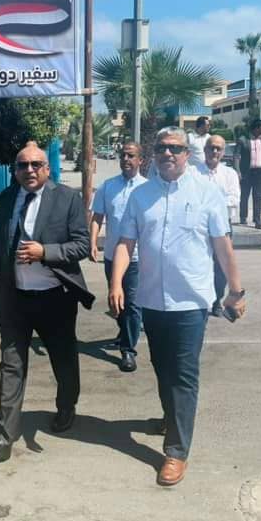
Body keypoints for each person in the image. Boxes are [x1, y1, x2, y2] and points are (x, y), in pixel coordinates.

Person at [109, 127, 246, 487]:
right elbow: (125, 242)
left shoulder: (207, 192)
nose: (167, 153)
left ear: (187, 153)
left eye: (175, 148)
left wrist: (236, 291)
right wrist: (116, 282)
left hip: (190, 302)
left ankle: (176, 451)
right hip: (152, 301)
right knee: (162, 367)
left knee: (183, 374)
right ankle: (171, 418)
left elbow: (222, 245)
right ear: (153, 154)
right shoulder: (140, 196)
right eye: (161, 148)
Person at [0, 142, 94, 465]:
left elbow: (82, 245)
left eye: (35, 165)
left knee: (63, 359)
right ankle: (3, 437)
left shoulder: (67, 198)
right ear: (15, 170)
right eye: (22, 165)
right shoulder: (6, 198)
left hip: (55, 298)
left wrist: (45, 252)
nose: (29, 170)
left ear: (47, 168)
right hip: (14, 298)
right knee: (11, 365)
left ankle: (67, 405)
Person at [89, 142, 145, 372]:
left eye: (131, 155)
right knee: (116, 300)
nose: (126, 159)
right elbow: (97, 217)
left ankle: (128, 350)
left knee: (132, 303)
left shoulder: (147, 188)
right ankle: (125, 333)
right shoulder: (108, 186)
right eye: (123, 155)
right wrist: (93, 242)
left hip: (137, 258)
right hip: (112, 256)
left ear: (140, 160)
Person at [198, 134, 240, 316]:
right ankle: (200, 301)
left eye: (218, 148)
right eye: (211, 147)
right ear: (205, 150)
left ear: (223, 152)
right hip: (198, 225)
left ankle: (216, 301)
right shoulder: (193, 172)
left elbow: (234, 199)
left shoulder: (229, 174)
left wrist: (210, 203)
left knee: (221, 266)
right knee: (198, 263)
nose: (214, 151)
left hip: (223, 226)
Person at [234, 118, 261, 229]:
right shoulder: (243, 140)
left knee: (258, 196)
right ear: (256, 128)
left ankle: (257, 220)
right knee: (244, 195)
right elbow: (236, 156)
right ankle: (243, 217)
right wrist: (238, 171)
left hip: (260, 172)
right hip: (246, 172)